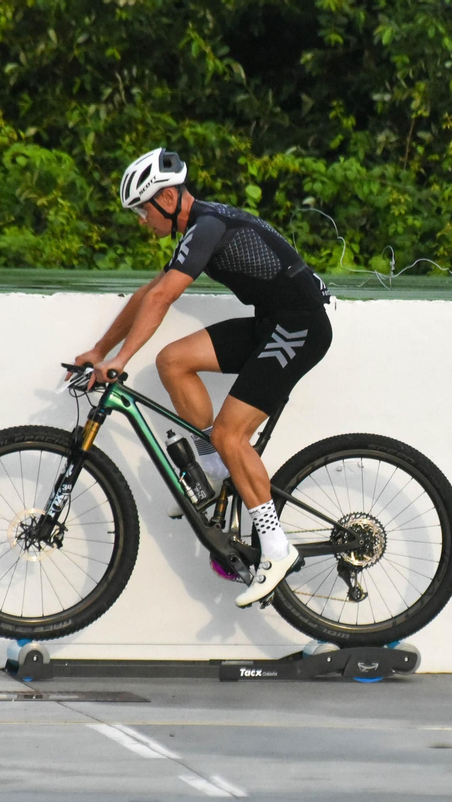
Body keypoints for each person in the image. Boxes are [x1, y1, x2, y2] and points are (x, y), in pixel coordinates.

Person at [72, 147, 332, 606]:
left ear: (168, 199)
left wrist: (123, 358)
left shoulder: (207, 225)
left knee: (234, 435)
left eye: (142, 209)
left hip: (300, 326)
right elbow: (148, 293)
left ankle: (276, 546)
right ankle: (214, 469)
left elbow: (164, 299)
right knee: (173, 361)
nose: (140, 220)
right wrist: (100, 350)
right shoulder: (199, 225)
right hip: (272, 321)